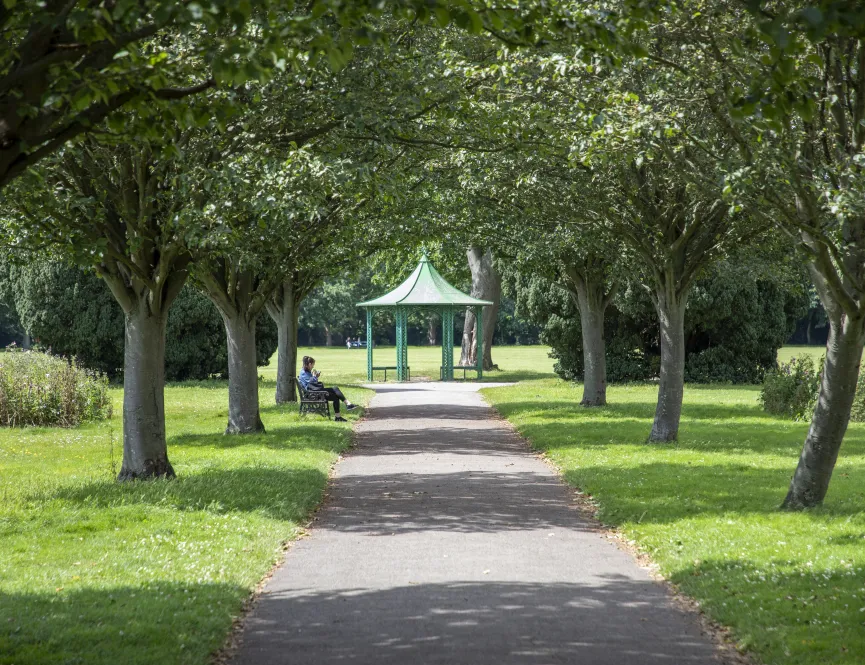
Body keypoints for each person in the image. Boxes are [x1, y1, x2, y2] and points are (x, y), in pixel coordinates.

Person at [298, 355, 357, 422]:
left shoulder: (305, 372)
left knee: (335, 392)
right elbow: (312, 383)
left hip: (314, 392)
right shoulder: (304, 373)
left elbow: (312, 384)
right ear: (309, 364)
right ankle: (346, 406)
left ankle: (342, 412)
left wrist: (315, 376)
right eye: (313, 365)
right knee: (335, 391)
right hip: (312, 394)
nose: (313, 367)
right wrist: (315, 376)